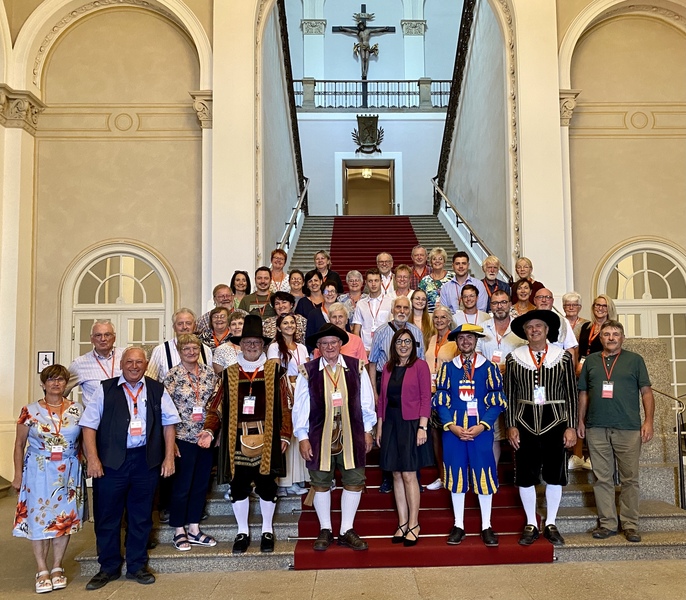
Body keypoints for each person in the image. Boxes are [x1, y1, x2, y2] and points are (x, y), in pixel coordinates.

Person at [81, 347, 180, 589]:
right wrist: (93, 459)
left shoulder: (156, 389)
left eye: (139, 362)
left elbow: (169, 424)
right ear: (122, 364)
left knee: (141, 517)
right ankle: (108, 567)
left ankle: (136, 566)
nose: (134, 366)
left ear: (146, 365)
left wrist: (169, 458)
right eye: (129, 362)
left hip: (145, 462)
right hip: (111, 463)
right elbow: (88, 426)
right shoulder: (105, 389)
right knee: (107, 516)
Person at [203, 315, 291, 554]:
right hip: (235, 440)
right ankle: (242, 531)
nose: (252, 346)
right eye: (247, 342)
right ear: (239, 345)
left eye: (256, 342)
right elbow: (217, 406)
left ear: (263, 345)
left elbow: (285, 405)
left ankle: (266, 530)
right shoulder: (229, 373)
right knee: (238, 484)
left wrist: (284, 434)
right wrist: (210, 430)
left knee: (267, 485)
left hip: (269, 437)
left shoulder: (276, 371)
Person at [292, 323, 377, 551]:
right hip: (319, 435)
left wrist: (368, 430)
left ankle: (346, 529)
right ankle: (326, 529)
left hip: (353, 433)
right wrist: (302, 436)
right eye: (324, 343)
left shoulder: (356, 367)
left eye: (334, 342)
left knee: (354, 479)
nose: (329, 346)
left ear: (341, 344)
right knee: (320, 481)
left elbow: (366, 402)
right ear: (318, 347)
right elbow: (300, 407)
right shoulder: (307, 371)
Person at [505, 310, 577, 548]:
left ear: (547, 330)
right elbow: (510, 394)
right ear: (524, 332)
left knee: (555, 474)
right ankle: (530, 523)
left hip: (556, 421)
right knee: (526, 475)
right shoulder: (514, 358)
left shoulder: (563, 358)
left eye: (539, 326)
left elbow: (571, 393)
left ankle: (551, 523)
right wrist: (510, 425)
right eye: (529, 327)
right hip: (524, 422)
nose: (534, 330)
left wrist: (571, 427)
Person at [578, 320, 654, 543]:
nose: (611, 338)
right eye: (607, 334)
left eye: (615, 334)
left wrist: (648, 422)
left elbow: (647, 393)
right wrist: (580, 421)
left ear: (622, 338)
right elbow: (583, 394)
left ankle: (630, 524)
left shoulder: (635, 360)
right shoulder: (591, 361)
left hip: (628, 428)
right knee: (602, 477)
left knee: (630, 478)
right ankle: (608, 523)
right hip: (596, 427)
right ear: (600, 338)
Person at [12, 364, 86, 594]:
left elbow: (83, 441)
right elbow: (19, 445)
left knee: (63, 518)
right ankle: (42, 568)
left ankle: (57, 567)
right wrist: (17, 475)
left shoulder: (77, 409)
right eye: (51, 380)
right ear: (43, 384)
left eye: (61, 380)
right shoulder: (30, 410)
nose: (56, 384)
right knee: (39, 518)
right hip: (38, 469)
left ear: (66, 384)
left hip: (68, 472)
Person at [434, 324, 507, 547]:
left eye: (470, 338)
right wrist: (451, 425)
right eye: (462, 338)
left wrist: (483, 425)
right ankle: (459, 525)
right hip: (453, 432)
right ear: (456, 342)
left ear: (476, 341)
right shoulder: (448, 368)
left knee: (484, 474)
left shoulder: (489, 368)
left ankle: (486, 525)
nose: (466, 341)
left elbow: (497, 401)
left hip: (481, 431)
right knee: (456, 476)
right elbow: (441, 400)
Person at [376, 329, 433, 546]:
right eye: (399, 341)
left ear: (413, 344)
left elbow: (425, 397)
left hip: (411, 424)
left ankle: (414, 523)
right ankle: (402, 522)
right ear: (394, 344)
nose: (403, 345)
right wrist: (380, 427)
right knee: (396, 475)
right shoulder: (388, 367)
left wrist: (423, 427)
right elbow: (382, 399)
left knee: (409, 475)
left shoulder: (420, 366)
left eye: (407, 341)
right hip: (390, 423)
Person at [162, 334, 218, 551]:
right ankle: (178, 529)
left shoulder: (209, 374)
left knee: (200, 485)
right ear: (179, 350)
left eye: (195, 348)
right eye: (187, 349)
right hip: (181, 438)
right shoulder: (172, 376)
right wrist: (170, 442)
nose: (191, 352)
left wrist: (211, 432)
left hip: (205, 438)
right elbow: (165, 411)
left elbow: (216, 403)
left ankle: (194, 528)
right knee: (181, 486)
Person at [477, 290, 527, 462]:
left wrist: (510, 365)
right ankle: (493, 475)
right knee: (494, 432)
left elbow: (526, 353)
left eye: (503, 302)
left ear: (510, 305)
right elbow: (475, 353)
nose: (500, 306)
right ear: (491, 306)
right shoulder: (483, 329)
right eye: (496, 303)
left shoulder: (520, 328)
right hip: (489, 388)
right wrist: (491, 367)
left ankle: (519, 474)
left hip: (516, 386)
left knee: (517, 429)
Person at [267, 314, 310, 497]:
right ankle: (283, 482)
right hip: (285, 390)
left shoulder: (301, 347)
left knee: (300, 430)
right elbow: (275, 371)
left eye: (292, 322)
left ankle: (297, 479)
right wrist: (289, 387)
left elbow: (308, 369)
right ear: (278, 327)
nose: (289, 325)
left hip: (302, 390)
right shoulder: (275, 347)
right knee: (286, 432)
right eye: (285, 323)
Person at [424, 304, 456, 491]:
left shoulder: (454, 340)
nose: (439, 321)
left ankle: (454, 475)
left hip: (449, 394)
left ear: (449, 319)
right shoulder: (431, 339)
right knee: (435, 435)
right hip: (431, 392)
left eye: (443, 317)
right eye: (436, 317)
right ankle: (442, 476)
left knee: (450, 435)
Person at [66, 319, 124, 406]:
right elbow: (59, 391)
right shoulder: (79, 364)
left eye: (107, 335)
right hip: (96, 417)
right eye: (98, 335)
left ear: (114, 338)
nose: (103, 339)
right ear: (92, 339)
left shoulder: (126, 356)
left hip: (125, 415)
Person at [147, 308, 212, 383]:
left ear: (194, 327)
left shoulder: (206, 350)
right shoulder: (161, 350)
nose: (184, 327)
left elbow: (211, 379)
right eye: (180, 324)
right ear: (174, 327)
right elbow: (149, 380)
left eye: (188, 323)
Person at [352, 267, 393, 353]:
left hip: (385, 349)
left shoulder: (390, 302)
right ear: (366, 283)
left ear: (381, 282)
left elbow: (393, 328)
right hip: (365, 350)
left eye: (376, 280)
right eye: (370, 281)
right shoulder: (360, 304)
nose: (373, 284)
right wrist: (361, 350)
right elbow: (356, 331)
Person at [532, 288, 579, 363]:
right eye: (540, 297)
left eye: (547, 297)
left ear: (552, 301)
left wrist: (570, 372)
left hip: (556, 367)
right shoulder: (527, 321)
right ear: (534, 300)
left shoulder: (563, 322)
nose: (544, 300)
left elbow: (570, 349)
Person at [577, 294, 618, 373]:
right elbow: (579, 349)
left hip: (601, 367)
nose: (600, 308)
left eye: (604, 306)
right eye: (598, 305)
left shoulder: (612, 329)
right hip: (583, 367)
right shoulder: (586, 326)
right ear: (593, 307)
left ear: (609, 309)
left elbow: (613, 351)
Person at [304, 281, 340, 352]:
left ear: (337, 294)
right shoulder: (313, 314)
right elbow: (309, 337)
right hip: (318, 353)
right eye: (326, 291)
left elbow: (347, 333)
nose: (330, 294)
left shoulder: (342, 312)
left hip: (340, 352)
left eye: (332, 291)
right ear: (322, 294)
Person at [418, 247, 453, 313]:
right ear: (431, 262)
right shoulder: (425, 281)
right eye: (434, 259)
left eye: (440, 259)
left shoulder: (452, 277)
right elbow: (420, 300)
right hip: (430, 316)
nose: (437, 261)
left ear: (444, 261)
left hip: (450, 315)